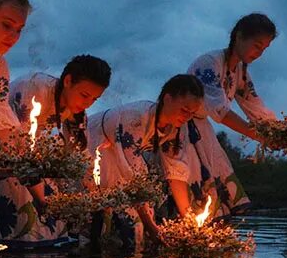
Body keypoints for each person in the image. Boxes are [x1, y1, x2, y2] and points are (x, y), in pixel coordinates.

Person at [0, 0, 77, 248]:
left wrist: (30, 173)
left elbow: (3, 121)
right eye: (7, 25)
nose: (14, 37)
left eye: (19, 30)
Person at [7, 55, 113, 243]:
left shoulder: (77, 115)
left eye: (94, 99)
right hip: (4, 143)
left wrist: (97, 196)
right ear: (68, 81)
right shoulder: (34, 89)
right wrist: (42, 199)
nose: (87, 104)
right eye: (84, 95)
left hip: (31, 159)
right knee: (22, 215)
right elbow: (20, 145)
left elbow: (82, 157)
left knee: (54, 223)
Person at [87, 74, 208, 235]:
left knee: (136, 224)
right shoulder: (135, 118)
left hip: (123, 158)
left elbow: (176, 172)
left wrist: (189, 221)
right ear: (167, 99)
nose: (187, 117)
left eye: (192, 113)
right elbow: (132, 176)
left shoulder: (177, 128)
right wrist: (151, 227)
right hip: (94, 147)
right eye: (184, 110)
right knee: (105, 215)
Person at [186, 13, 279, 215]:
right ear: (239, 36)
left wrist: (282, 133)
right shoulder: (209, 64)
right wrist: (258, 136)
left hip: (201, 128)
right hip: (182, 127)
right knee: (194, 186)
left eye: (264, 49)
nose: (259, 53)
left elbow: (255, 108)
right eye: (257, 45)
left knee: (218, 192)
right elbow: (221, 112)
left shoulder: (240, 73)